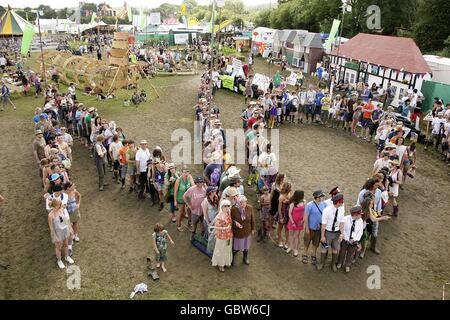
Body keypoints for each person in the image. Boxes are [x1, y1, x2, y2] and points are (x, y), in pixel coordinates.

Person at [317, 193, 345, 272]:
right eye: (341, 202)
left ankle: (333, 264)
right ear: (337, 202)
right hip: (328, 232)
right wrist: (322, 236)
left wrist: (342, 233)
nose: (342, 203)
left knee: (335, 248)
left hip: (336, 233)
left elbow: (342, 222)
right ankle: (322, 263)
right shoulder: (327, 210)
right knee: (324, 248)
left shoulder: (341, 209)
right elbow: (324, 224)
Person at [47, 198, 74, 269]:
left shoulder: (61, 209)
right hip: (57, 233)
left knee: (66, 244)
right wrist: (55, 237)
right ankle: (59, 260)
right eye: (60, 203)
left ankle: (66, 256)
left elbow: (66, 220)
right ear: (56, 205)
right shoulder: (51, 215)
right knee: (58, 247)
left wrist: (69, 228)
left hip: (65, 230)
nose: (61, 204)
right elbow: (51, 227)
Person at [336, 206, 364, 273]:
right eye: (360, 214)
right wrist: (347, 238)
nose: (361, 215)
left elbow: (360, 232)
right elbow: (343, 229)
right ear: (355, 214)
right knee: (342, 251)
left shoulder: (360, 221)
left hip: (354, 241)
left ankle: (347, 265)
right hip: (345, 240)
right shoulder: (345, 219)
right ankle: (340, 262)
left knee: (351, 253)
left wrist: (354, 239)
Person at [303, 190, 326, 265]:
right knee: (307, 242)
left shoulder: (324, 204)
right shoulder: (309, 205)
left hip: (319, 229)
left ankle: (314, 255)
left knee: (316, 243)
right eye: (321, 196)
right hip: (310, 228)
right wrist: (306, 228)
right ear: (317, 197)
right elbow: (305, 217)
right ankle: (305, 254)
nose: (323, 197)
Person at [231, 195, 255, 266]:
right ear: (238, 202)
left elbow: (252, 219)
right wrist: (235, 223)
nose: (243, 204)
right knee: (236, 247)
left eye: (245, 202)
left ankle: (245, 257)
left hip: (247, 231)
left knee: (246, 246)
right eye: (241, 202)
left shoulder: (249, 208)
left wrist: (253, 228)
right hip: (237, 232)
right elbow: (230, 220)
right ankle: (232, 259)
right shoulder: (234, 209)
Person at [211, 200, 233, 272]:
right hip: (221, 236)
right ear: (222, 207)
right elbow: (216, 227)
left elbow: (230, 223)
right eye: (225, 206)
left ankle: (226, 262)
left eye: (228, 206)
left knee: (227, 249)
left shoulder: (228, 214)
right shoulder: (219, 216)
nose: (227, 207)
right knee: (220, 250)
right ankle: (220, 264)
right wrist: (224, 228)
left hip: (228, 235)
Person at [174, 166, 195, 232]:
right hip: (180, 199)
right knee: (181, 212)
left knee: (189, 210)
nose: (186, 173)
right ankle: (179, 225)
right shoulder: (178, 180)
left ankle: (189, 221)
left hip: (188, 198)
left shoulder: (189, 178)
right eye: (184, 172)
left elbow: (193, 186)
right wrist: (175, 201)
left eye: (187, 172)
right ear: (181, 173)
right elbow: (175, 192)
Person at [286, 190, 305, 257]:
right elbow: (290, 214)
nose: (303, 196)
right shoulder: (293, 203)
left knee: (296, 236)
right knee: (291, 235)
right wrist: (293, 222)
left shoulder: (303, 202)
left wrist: (303, 220)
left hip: (299, 222)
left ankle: (295, 249)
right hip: (292, 222)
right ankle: (290, 247)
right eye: (302, 195)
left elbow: (304, 212)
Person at [277, 182, 292, 249]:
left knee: (287, 228)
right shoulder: (281, 197)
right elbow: (279, 209)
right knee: (280, 228)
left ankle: (286, 242)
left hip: (288, 214)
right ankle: (280, 241)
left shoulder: (289, 193)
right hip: (283, 214)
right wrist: (281, 218)